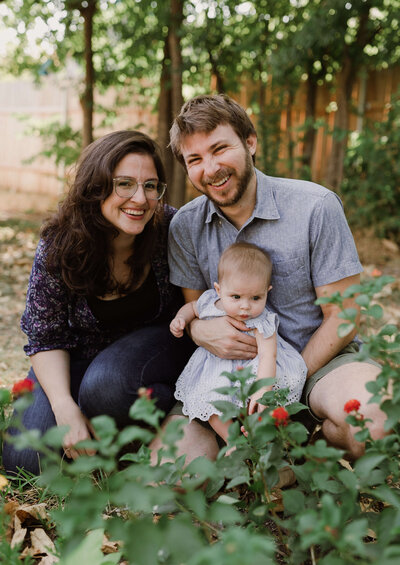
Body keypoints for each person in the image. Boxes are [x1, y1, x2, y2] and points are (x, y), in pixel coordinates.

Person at [150, 93, 384, 463]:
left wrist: (280, 388)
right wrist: (197, 331)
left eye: (219, 149)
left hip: (318, 366)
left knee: (371, 421)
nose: (210, 169)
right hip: (226, 378)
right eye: (195, 159)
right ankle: (245, 450)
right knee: (171, 471)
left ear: (250, 142)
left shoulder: (315, 207)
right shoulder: (186, 226)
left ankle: (304, 447)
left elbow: (345, 316)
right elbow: (195, 308)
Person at [3, 130, 194, 475]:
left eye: (151, 186)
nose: (140, 198)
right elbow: (45, 336)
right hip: (78, 357)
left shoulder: (170, 228)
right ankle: (97, 426)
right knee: (24, 462)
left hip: (155, 350)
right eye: (124, 184)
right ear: (96, 186)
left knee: (105, 386)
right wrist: (64, 407)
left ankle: (155, 421)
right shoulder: (60, 246)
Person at [170, 242, 307, 447]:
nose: (245, 306)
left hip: (255, 368)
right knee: (209, 401)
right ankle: (232, 440)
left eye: (255, 297)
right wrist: (180, 319)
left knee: (260, 404)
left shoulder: (262, 320)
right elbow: (192, 307)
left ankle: (261, 437)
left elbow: (268, 356)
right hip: (215, 368)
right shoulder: (209, 302)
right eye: (235, 297)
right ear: (218, 289)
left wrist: (263, 389)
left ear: (267, 292)